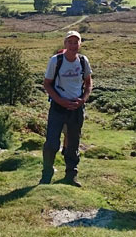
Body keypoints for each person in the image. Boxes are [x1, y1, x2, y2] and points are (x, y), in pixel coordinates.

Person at [40, 31, 93, 187]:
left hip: (76, 108)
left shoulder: (83, 61)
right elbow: (47, 84)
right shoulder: (56, 61)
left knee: (73, 144)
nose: (73, 45)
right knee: (51, 142)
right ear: (65, 44)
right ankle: (47, 174)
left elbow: (89, 83)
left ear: (80, 44)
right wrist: (60, 101)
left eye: (76, 42)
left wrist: (82, 100)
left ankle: (71, 175)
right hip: (58, 107)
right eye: (70, 42)